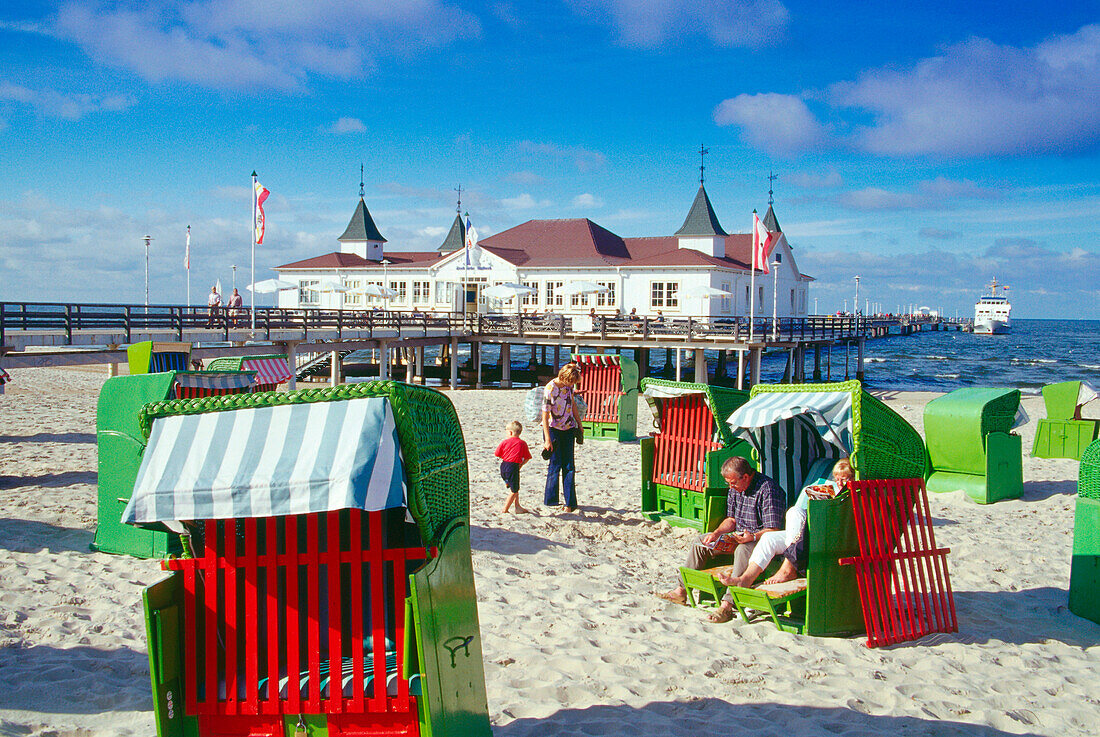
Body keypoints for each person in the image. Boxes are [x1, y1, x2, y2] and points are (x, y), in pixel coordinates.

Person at [656, 456, 784, 623]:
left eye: (733, 483)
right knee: (700, 542)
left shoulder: (768, 490)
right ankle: (681, 590)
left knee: (743, 550)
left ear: (746, 477)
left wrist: (751, 537)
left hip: (760, 540)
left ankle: (727, 605)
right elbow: (731, 520)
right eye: (729, 483)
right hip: (739, 535)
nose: (731, 487)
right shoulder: (735, 488)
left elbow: (773, 530)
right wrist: (716, 534)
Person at [719, 458, 854, 590]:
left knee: (795, 512)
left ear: (853, 478)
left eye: (844, 479)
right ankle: (745, 579)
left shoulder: (854, 495)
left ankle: (788, 567)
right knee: (769, 537)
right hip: (809, 535)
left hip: (828, 537)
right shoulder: (832, 490)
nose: (840, 483)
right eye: (837, 478)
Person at [541, 362, 583, 513]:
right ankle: (551, 500)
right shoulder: (550, 388)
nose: (571, 385)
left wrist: (580, 424)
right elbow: (545, 416)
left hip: (569, 428)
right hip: (553, 429)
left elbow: (573, 406)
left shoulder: (569, 386)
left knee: (569, 466)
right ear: (564, 378)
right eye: (571, 382)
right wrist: (547, 439)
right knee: (555, 464)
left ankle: (570, 503)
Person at [495, 420, 532, 514]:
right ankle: (505, 509)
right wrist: (521, 464)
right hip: (513, 467)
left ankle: (517, 506)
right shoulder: (522, 443)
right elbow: (527, 457)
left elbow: (497, 454)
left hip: (504, 466)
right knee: (514, 490)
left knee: (514, 486)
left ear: (510, 432)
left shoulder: (505, 442)